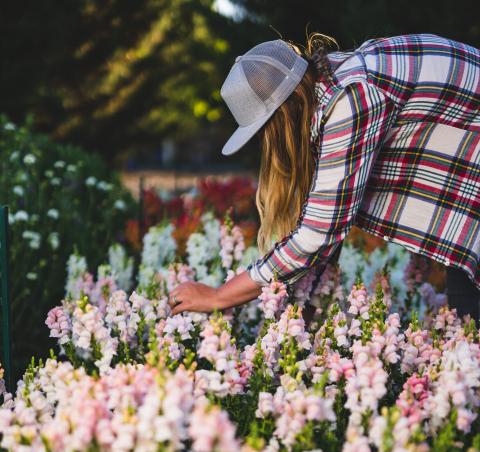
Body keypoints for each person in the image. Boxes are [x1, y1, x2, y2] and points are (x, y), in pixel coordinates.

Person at [168, 32, 480, 323]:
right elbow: (331, 216)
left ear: (284, 116)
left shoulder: (352, 97)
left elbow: (320, 232)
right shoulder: (336, 82)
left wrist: (220, 296)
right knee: (467, 319)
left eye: (265, 132)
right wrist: (304, 308)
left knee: (469, 327)